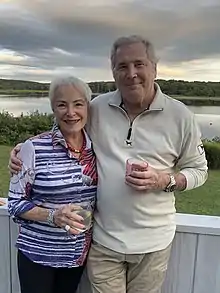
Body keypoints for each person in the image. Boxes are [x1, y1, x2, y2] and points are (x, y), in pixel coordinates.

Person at [9, 35, 208, 293]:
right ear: (113, 71)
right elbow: (68, 123)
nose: (131, 73)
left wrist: (166, 180)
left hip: (154, 243)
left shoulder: (181, 116)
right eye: (122, 66)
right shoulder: (98, 108)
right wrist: (25, 149)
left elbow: (199, 170)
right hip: (104, 242)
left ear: (154, 68)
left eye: (139, 64)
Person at [7, 75, 97, 293]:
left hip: (77, 255)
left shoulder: (97, 148)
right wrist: (52, 216)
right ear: (53, 109)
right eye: (62, 105)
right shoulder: (33, 148)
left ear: (87, 107)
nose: (71, 112)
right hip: (37, 255)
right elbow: (14, 203)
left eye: (78, 104)